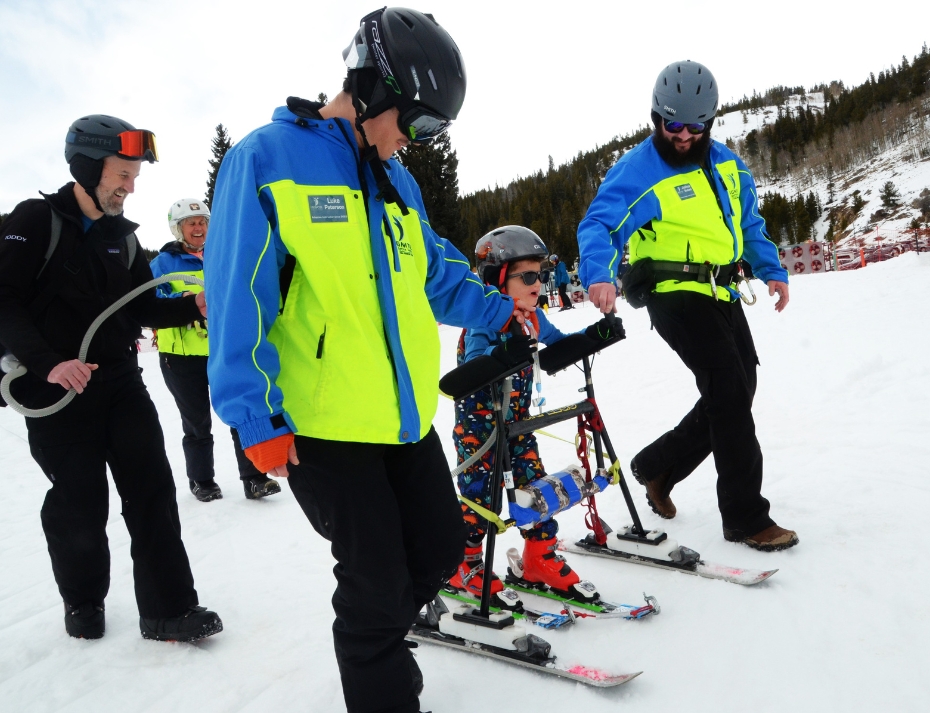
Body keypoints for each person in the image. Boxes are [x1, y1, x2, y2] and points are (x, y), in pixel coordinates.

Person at [205, 9, 523, 713]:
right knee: (374, 584)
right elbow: (236, 296)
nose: (420, 140)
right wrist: (252, 416)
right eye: (422, 122)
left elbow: (437, 275)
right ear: (374, 88)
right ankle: (383, 684)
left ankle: (378, 644)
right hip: (326, 425)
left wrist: (504, 312)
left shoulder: (398, 183)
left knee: (441, 548)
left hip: (405, 418)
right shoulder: (266, 160)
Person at [0, 115, 222, 640]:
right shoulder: (34, 221)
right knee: (80, 500)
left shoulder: (122, 240)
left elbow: (140, 306)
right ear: (87, 166)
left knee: (152, 489)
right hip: (55, 387)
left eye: (135, 175)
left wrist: (193, 305)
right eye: (122, 173)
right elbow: (3, 299)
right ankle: (82, 602)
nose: (131, 185)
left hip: (120, 382)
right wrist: (47, 361)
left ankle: (169, 609)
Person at [577, 61, 798, 552]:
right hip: (672, 292)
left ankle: (659, 465)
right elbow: (599, 226)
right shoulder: (638, 171)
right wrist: (597, 274)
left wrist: (772, 270)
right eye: (671, 124)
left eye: (694, 126)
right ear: (656, 117)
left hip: (720, 289)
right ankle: (745, 517)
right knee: (728, 391)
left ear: (710, 122)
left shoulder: (728, 165)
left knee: (739, 389)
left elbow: (751, 225)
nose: (681, 135)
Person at [450, 227, 618, 604]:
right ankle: (465, 562)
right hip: (482, 435)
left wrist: (597, 335)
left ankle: (539, 557)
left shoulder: (533, 317)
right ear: (497, 279)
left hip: (517, 429)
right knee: (482, 502)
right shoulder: (485, 321)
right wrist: (503, 355)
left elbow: (558, 346)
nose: (538, 284)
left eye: (540, 276)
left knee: (536, 492)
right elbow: (472, 370)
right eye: (527, 276)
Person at [150, 198, 282, 502]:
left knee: (240, 410)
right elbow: (148, 303)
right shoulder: (163, 264)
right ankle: (202, 480)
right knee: (197, 422)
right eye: (191, 222)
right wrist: (180, 299)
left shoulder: (222, 255)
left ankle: (255, 478)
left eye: (203, 221)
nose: (199, 227)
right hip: (180, 358)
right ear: (178, 228)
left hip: (223, 350)